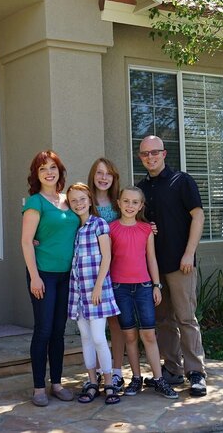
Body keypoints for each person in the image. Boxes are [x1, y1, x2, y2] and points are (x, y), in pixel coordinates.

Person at [136, 135, 208, 397]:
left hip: (181, 263)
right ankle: (172, 370)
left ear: (164, 154)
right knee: (163, 319)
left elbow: (198, 216)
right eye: (145, 154)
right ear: (140, 157)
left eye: (155, 152)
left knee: (186, 318)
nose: (150, 157)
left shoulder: (182, 181)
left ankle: (196, 373)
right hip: (154, 266)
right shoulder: (141, 189)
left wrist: (189, 253)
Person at [21, 150, 79, 407]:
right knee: (43, 330)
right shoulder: (35, 202)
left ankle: (56, 383)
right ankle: (38, 388)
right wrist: (34, 277)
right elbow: (26, 241)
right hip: (43, 274)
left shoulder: (69, 200)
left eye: (52, 167)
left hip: (67, 275)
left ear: (60, 171)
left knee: (58, 331)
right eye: (43, 168)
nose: (48, 172)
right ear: (36, 174)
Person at [109, 186, 178, 399]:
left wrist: (157, 285)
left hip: (144, 287)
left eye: (135, 202)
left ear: (141, 206)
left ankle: (158, 379)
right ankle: (136, 378)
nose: (130, 206)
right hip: (119, 288)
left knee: (148, 334)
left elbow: (151, 259)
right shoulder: (110, 228)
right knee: (129, 335)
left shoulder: (146, 229)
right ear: (119, 203)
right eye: (126, 201)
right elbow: (107, 259)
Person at [65, 183, 121, 404]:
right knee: (86, 338)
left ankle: (109, 382)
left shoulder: (99, 224)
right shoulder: (74, 229)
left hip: (97, 291)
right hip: (78, 293)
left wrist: (98, 286)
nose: (78, 204)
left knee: (98, 337)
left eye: (82, 199)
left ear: (89, 199)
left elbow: (106, 257)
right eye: (73, 201)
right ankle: (91, 382)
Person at [87, 158, 126, 391]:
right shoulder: (85, 202)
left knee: (115, 323)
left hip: (118, 268)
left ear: (114, 178)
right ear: (93, 175)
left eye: (108, 174)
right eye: (99, 173)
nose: (104, 178)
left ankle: (118, 370)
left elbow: (134, 222)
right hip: (93, 273)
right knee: (94, 327)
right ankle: (100, 370)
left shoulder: (119, 203)